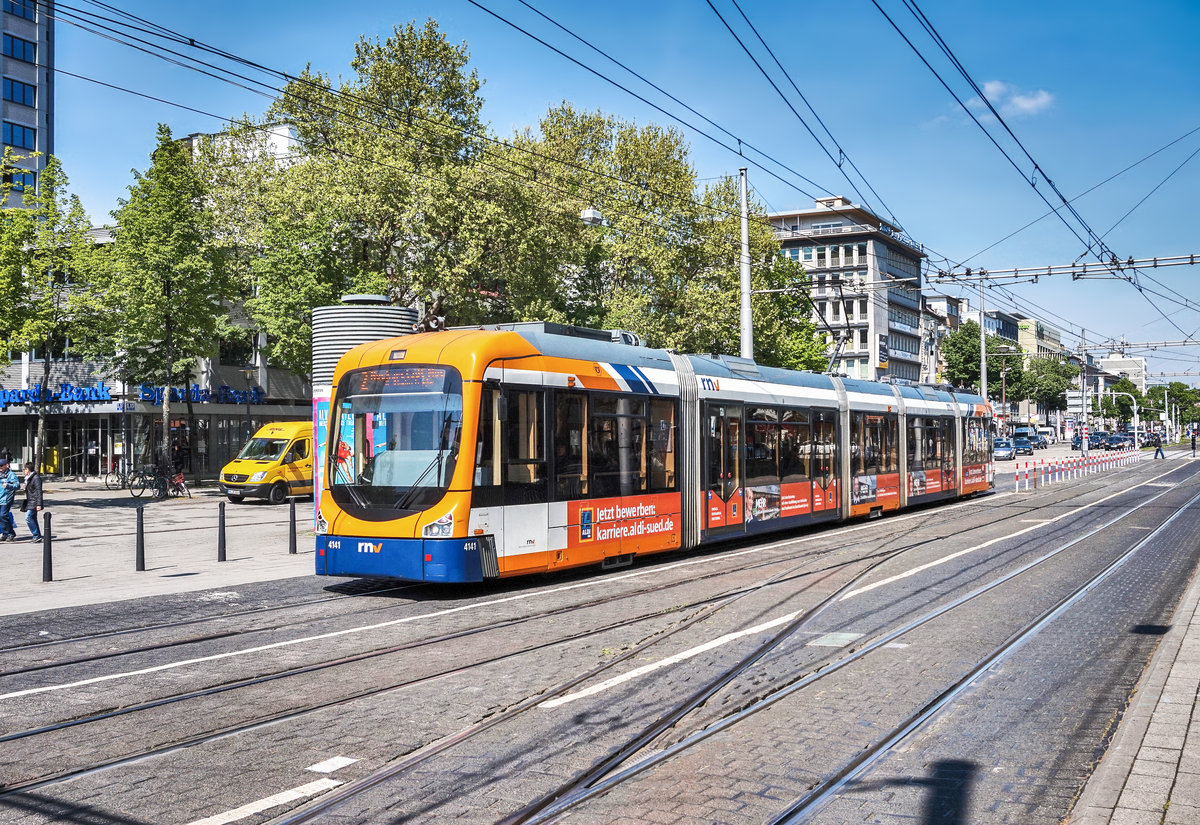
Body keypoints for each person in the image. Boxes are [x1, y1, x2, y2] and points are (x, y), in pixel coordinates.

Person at [0, 458, 20, 541]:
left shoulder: (11, 474)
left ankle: (11, 533)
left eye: (1, 465)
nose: (0, 467)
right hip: (0, 498)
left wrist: (8, 485)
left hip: (6, 498)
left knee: (3, 515)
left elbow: (17, 485)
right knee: (0, 517)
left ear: (6, 465)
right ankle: (5, 533)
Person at [22, 462, 42, 541]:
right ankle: (37, 535)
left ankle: (36, 535)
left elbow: (39, 491)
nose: (24, 471)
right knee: (33, 518)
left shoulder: (35, 478)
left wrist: (39, 504)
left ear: (28, 469)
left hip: (34, 501)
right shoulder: (28, 478)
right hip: (30, 500)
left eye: (25, 469)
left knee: (28, 517)